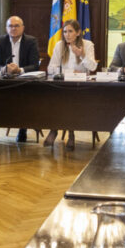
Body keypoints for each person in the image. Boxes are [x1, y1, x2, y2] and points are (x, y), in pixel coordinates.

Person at [44, 19, 96, 150]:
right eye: (65, 32)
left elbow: (93, 67)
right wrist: (70, 72)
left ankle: (63, 132)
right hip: (62, 86)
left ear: (78, 33)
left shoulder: (87, 45)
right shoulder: (59, 45)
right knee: (58, 99)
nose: (67, 35)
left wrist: (82, 55)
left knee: (70, 100)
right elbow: (51, 69)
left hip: (81, 87)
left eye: (70, 31)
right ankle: (60, 130)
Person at [0, 15, 40, 142]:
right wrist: (5, 69)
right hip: (6, 81)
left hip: (25, 81)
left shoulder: (31, 41)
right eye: (10, 26)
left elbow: (35, 65)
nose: (13, 28)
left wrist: (20, 70)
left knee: (24, 98)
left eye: (16, 26)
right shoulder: (0, 41)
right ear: (6, 28)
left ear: (23, 28)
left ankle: (22, 128)